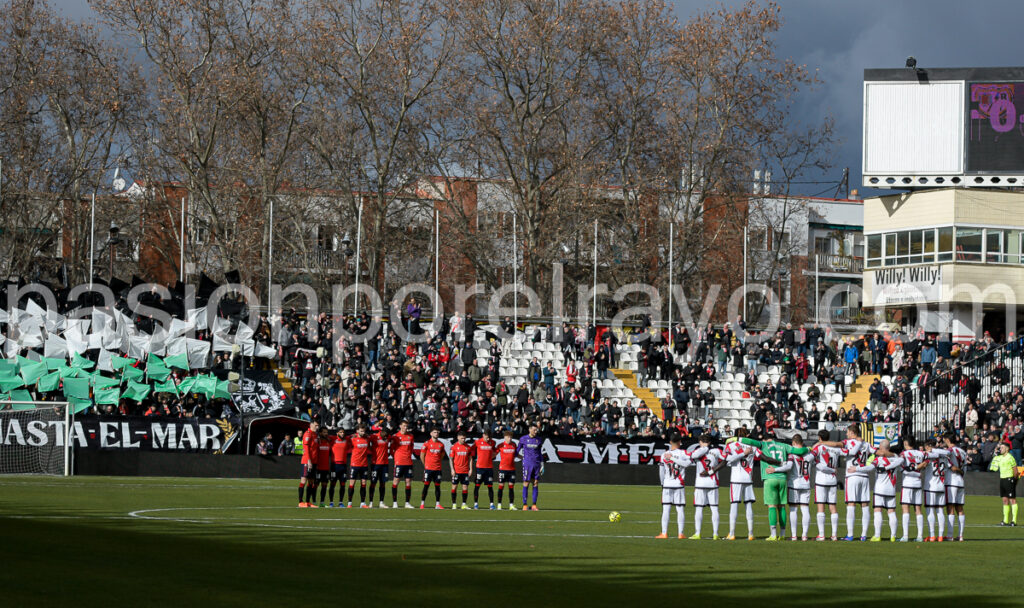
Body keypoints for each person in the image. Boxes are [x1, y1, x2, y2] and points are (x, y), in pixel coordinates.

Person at [739, 434, 812, 541]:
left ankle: (773, 535)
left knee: (772, 506)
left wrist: (736, 438)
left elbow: (749, 441)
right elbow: (800, 451)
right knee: (782, 506)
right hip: (782, 479)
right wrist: (809, 448)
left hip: (770, 478)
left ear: (765, 439)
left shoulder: (763, 444)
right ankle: (782, 534)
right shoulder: (784, 446)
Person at [722, 428, 778, 540]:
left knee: (734, 505)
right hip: (748, 478)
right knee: (748, 506)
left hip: (736, 479)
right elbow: (764, 458)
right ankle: (751, 534)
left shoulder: (731, 445)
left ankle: (732, 533)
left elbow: (727, 459)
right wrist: (778, 462)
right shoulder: (753, 447)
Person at [767, 433, 814, 541]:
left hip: (794, 484)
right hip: (806, 483)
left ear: (793, 443)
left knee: (793, 509)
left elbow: (788, 466)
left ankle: (793, 535)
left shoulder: (792, 455)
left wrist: (775, 469)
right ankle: (804, 535)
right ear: (802, 443)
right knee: (805, 509)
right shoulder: (810, 455)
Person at [656, 433, 697, 539]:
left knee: (666, 509)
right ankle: (680, 533)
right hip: (679, 484)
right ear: (680, 442)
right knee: (680, 509)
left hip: (667, 484)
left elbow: (661, 471)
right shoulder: (683, 453)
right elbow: (688, 464)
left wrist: (662, 483)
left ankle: (664, 533)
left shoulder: (664, 455)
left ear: (670, 442)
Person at [862, 440, 902, 542]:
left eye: (879, 446)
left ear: (882, 448)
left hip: (879, 489)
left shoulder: (878, 459)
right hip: (891, 489)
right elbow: (901, 460)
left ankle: (877, 535)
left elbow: (869, 468)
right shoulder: (896, 457)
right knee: (891, 512)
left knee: (877, 510)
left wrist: (856, 469)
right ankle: (893, 536)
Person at [840, 425, 872, 541]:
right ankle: (863, 535)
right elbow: (876, 453)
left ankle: (850, 534)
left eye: (847, 432)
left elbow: (842, 449)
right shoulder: (866, 444)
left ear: (852, 432)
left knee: (851, 504)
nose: (846, 434)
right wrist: (869, 462)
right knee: (864, 505)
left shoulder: (849, 443)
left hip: (852, 475)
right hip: (864, 475)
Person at [810, 430, 842, 540]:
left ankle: (822, 534)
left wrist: (817, 445)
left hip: (821, 480)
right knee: (833, 507)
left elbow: (811, 457)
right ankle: (834, 535)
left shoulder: (819, 448)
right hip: (833, 480)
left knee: (821, 507)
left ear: (819, 438)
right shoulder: (836, 449)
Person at [690, 434, 723, 540]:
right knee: (714, 508)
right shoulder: (717, 451)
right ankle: (715, 534)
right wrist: (712, 471)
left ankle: (698, 533)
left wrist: (704, 448)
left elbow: (692, 456)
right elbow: (726, 460)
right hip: (712, 482)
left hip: (700, 483)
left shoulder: (698, 451)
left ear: (700, 442)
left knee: (699, 508)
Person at [919, 439, 949, 541]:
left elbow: (923, 463)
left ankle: (932, 535)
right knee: (940, 510)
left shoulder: (929, 456)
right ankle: (940, 535)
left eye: (925, 447)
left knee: (930, 510)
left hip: (930, 486)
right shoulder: (943, 456)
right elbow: (947, 452)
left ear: (928, 446)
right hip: (941, 485)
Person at [898, 437, 926, 542]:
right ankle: (920, 536)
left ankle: (905, 536)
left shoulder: (903, 454)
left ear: (905, 443)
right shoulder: (921, 453)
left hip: (907, 483)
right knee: (918, 510)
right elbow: (925, 463)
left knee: (905, 509)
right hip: (918, 483)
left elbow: (902, 469)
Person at [942, 432, 968, 541]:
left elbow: (951, 467)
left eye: (944, 439)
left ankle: (950, 535)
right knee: (960, 508)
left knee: (950, 507)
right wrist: (961, 472)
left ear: (947, 440)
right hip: (960, 481)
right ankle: (961, 535)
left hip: (951, 481)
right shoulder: (963, 451)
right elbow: (965, 468)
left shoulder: (949, 451)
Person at [990, 442, 1019, 526]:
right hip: (1002, 479)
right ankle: (1005, 520)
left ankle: (1014, 520)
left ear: (1007, 449)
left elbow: (1015, 470)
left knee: (1012, 499)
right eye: (1000, 447)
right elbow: (994, 465)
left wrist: (1014, 480)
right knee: (1005, 500)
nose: (1001, 449)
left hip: (1009, 479)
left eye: (1002, 447)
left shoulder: (1010, 458)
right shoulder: (1000, 458)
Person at [389, 420, 416, 509]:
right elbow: (392, 450)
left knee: (408, 482)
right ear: (400, 426)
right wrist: (397, 458)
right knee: (396, 481)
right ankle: (394, 502)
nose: (405, 427)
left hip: (408, 462)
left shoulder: (410, 436)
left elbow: (411, 448)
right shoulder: (395, 437)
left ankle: (407, 503)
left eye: (406, 426)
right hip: (399, 462)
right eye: (404, 425)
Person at [517, 423, 544, 511]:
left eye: (536, 430)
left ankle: (534, 505)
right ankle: (525, 505)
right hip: (527, 464)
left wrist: (542, 464)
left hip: (536, 464)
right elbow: (516, 451)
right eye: (534, 430)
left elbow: (540, 453)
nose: (535, 431)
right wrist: (522, 458)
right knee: (526, 483)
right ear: (529, 429)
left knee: (535, 483)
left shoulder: (539, 440)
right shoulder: (523, 439)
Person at [420, 427, 447, 509]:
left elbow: (442, 455)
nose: (436, 434)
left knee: (437, 486)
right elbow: (422, 455)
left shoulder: (441, 445)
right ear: (431, 433)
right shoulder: (427, 443)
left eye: (437, 432)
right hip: (428, 469)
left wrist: (437, 463)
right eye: (435, 432)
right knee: (426, 486)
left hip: (437, 469)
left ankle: (437, 504)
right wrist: (426, 465)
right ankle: (422, 504)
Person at [346, 424, 372, 508]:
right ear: (357, 431)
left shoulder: (367, 438)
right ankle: (349, 503)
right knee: (352, 483)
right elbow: (345, 439)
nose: (363, 432)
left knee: (364, 483)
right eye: (361, 431)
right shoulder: (353, 439)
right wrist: (351, 435)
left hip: (364, 464)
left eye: (364, 431)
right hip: (354, 464)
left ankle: (363, 503)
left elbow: (373, 438)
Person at [471, 428, 497, 509]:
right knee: (477, 486)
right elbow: (471, 450)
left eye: (489, 437)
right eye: (487, 437)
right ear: (483, 435)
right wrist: (473, 457)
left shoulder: (492, 442)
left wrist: (493, 456)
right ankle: (475, 504)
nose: (488, 439)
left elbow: (495, 451)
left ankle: (492, 504)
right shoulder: (477, 442)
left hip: (489, 468)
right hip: (480, 468)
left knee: (490, 486)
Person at [368, 426, 391, 508]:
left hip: (385, 464)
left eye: (387, 435)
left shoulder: (388, 437)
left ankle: (381, 502)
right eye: (385, 434)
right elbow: (366, 440)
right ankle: (371, 502)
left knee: (383, 483)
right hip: (375, 464)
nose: (386, 436)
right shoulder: (373, 436)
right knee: (373, 483)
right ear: (381, 431)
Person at [298, 421, 319, 507]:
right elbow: (306, 448)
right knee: (304, 480)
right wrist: (309, 461)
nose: (317, 427)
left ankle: (307, 502)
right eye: (316, 425)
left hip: (314, 461)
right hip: (307, 461)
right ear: (311, 425)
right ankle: (300, 502)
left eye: (318, 425)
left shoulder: (315, 435)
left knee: (311, 481)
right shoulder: (308, 434)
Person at [450, 431, 473, 509]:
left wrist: (470, 469)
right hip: (456, 471)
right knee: (454, 487)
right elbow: (451, 459)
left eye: (464, 438)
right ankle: (454, 504)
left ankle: (464, 504)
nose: (463, 440)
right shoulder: (454, 447)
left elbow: (470, 459)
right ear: (458, 437)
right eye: (462, 438)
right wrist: (452, 469)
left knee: (465, 487)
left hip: (465, 471)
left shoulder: (468, 447)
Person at [496, 430, 518, 510]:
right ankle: (499, 504)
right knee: (501, 486)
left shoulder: (514, 445)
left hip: (512, 469)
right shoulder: (501, 445)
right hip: (502, 469)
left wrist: (523, 457)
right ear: (505, 437)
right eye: (508, 437)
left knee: (511, 487)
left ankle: (511, 505)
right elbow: (494, 453)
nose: (510, 439)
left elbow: (516, 454)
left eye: (511, 437)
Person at [328, 429, 349, 508]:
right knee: (332, 484)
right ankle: (331, 502)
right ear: (337, 433)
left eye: (343, 432)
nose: (342, 433)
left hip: (343, 466)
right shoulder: (333, 439)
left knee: (342, 485)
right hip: (334, 465)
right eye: (340, 432)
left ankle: (341, 502)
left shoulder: (346, 440)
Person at [314, 427, 332, 507]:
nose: (326, 434)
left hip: (326, 468)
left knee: (324, 485)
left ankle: (322, 502)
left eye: (326, 432)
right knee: (316, 485)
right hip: (318, 468)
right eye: (324, 432)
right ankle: (314, 502)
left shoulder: (328, 442)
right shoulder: (318, 441)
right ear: (320, 433)